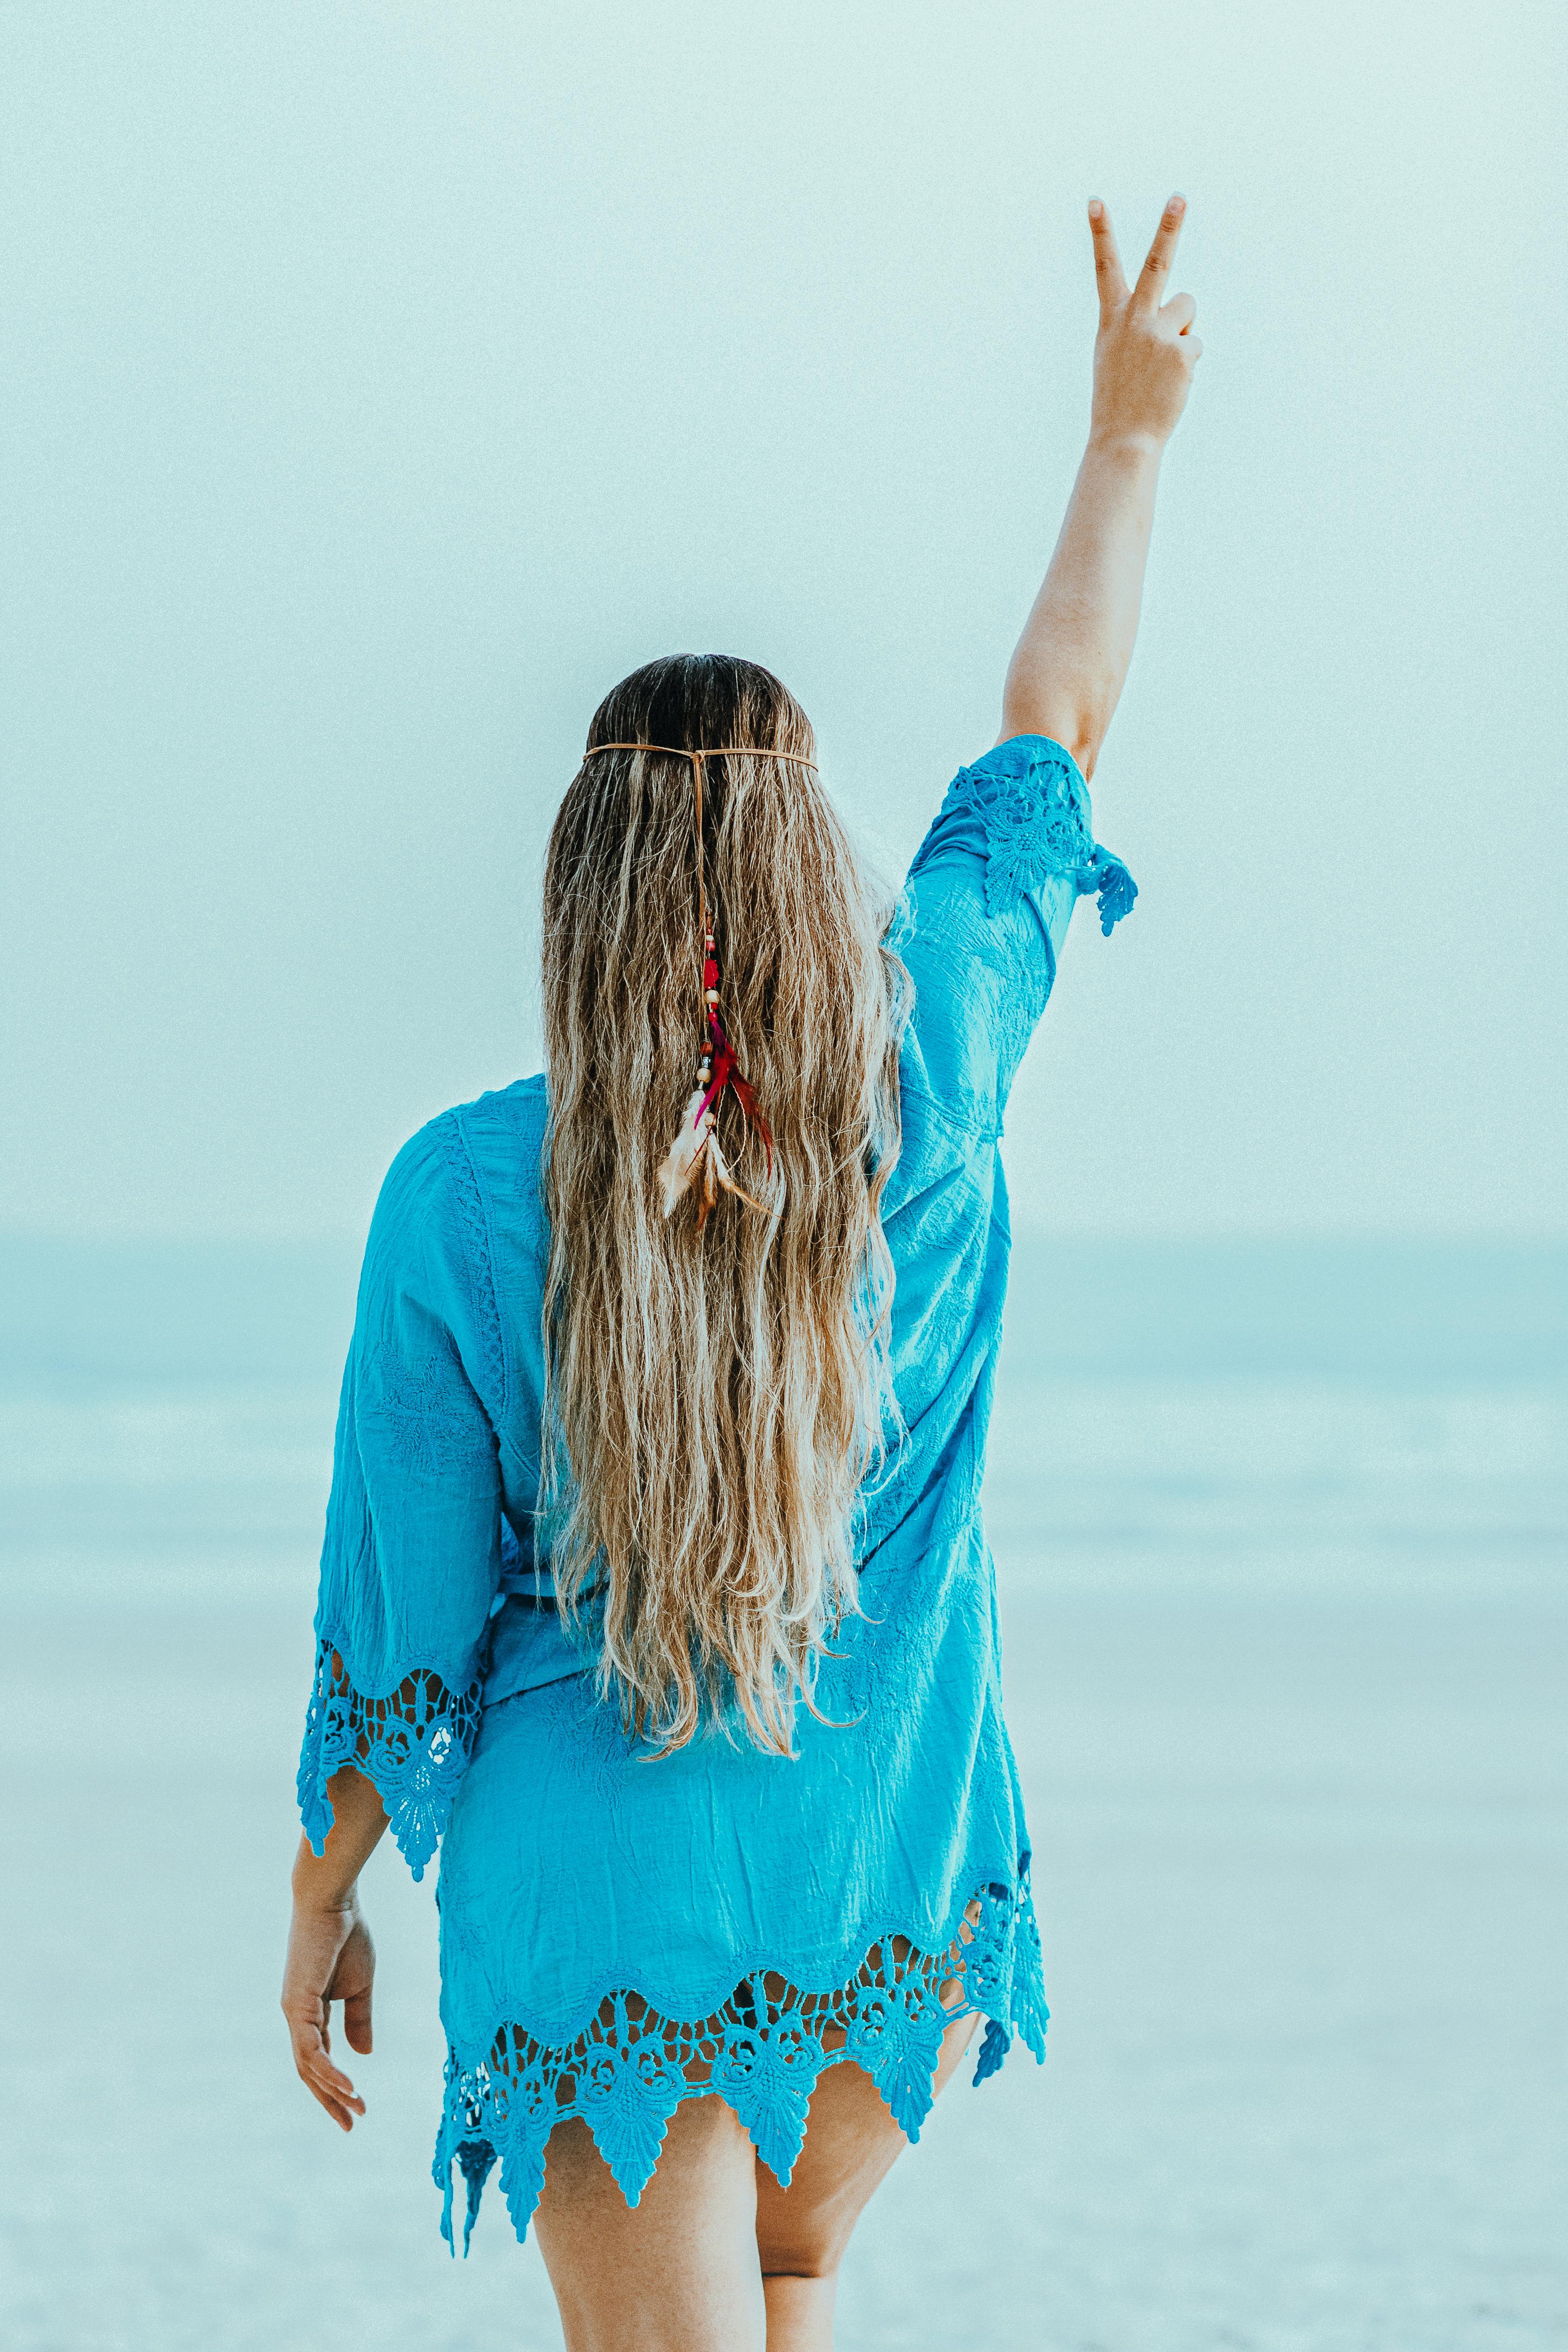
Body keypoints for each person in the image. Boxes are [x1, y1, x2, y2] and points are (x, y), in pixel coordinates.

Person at [280, 193, 1201, 2351]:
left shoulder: (467, 1192)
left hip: (604, 1905)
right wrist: (1133, 439)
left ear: (582, 901)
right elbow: (1056, 722)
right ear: (819, 875)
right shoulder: (939, 1068)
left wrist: (325, 1880)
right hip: (885, 1868)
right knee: (792, 2291)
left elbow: (403, 1606)